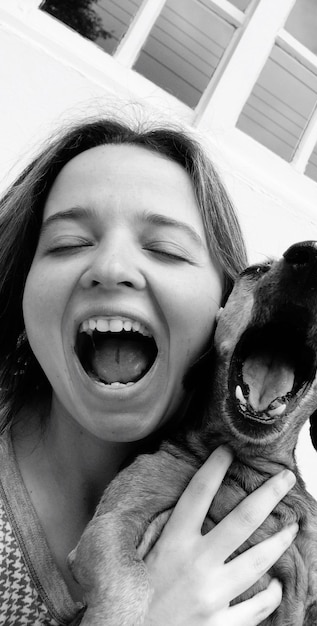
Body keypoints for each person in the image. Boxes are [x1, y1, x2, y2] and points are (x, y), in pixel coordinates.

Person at [0, 118, 299, 625]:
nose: (111, 267)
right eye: (69, 243)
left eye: (164, 249)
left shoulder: (256, 529)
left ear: (227, 313)